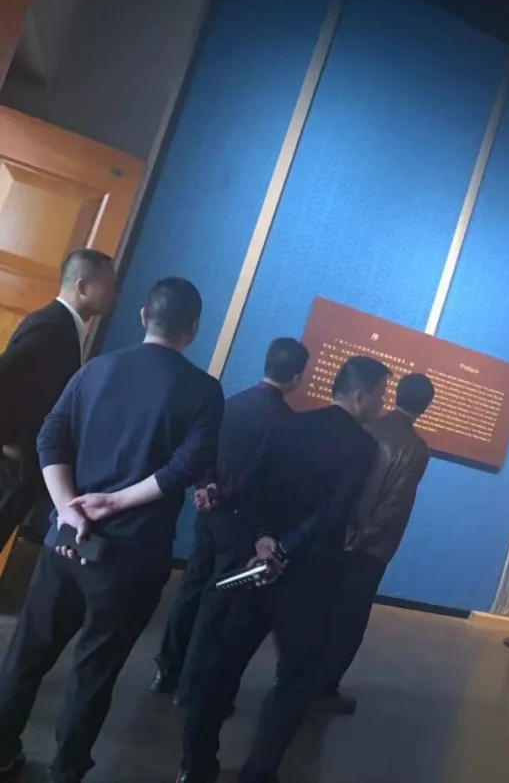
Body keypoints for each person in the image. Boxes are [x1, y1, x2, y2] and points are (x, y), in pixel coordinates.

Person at [0, 277, 223, 782]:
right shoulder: (203, 391)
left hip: (64, 543)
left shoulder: (96, 368)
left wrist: (68, 508)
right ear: (193, 329)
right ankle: (67, 769)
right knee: (96, 671)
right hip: (132, 557)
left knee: (27, 653)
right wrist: (114, 503)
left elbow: (49, 437)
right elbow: (185, 467)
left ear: (144, 316)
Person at [177, 356, 388, 783]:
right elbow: (334, 512)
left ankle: (195, 766)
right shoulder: (362, 446)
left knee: (224, 664)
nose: (382, 404)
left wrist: (264, 540)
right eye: (380, 395)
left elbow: (253, 487)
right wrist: (287, 549)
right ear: (360, 395)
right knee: (294, 680)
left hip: (257, 563)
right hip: (311, 574)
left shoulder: (289, 424)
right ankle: (258, 773)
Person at [153, 338, 310, 705]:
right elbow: (259, 476)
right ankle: (190, 687)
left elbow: (203, 450)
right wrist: (226, 495)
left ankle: (166, 671)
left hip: (209, 512)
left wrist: (206, 487)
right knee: (217, 601)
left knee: (191, 587)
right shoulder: (284, 421)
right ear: (297, 376)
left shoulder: (231, 402)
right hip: (243, 521)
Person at [314, 372, 435, 715]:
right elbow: (395, 502)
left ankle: (300, 675)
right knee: (349, 619)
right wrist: (365, 534)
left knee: (322, 608)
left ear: (395, 393)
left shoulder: (367, 427)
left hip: (337, 533)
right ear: (426, 406)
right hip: (372, 547)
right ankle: (323, 689)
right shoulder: (416, 449)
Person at [0, 250, 117, 550]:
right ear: (82, 286)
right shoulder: (52, 327)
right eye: (108, 284)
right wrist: (11, 446)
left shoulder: (60, 325)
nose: (113, 293)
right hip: (9, 472)